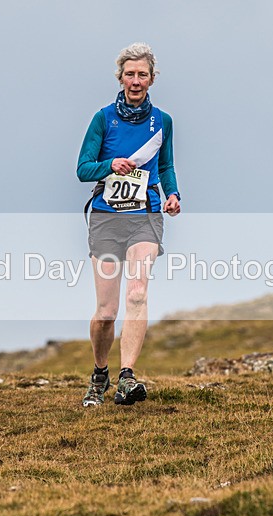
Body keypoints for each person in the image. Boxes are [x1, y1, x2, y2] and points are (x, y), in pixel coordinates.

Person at [76, 42, 181, 407]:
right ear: (120, 78)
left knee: (138, 292)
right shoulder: (103, 119)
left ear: (152, 79)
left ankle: (127, 377)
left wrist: (172, 194)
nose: (136, 81)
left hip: (146, 215)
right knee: (106, 313)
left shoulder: (163, 122)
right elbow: (82, 170)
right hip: (106, 218)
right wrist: (111, 165)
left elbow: (165, 166)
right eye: (130, 74)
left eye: (143, 74)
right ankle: (100, 373)